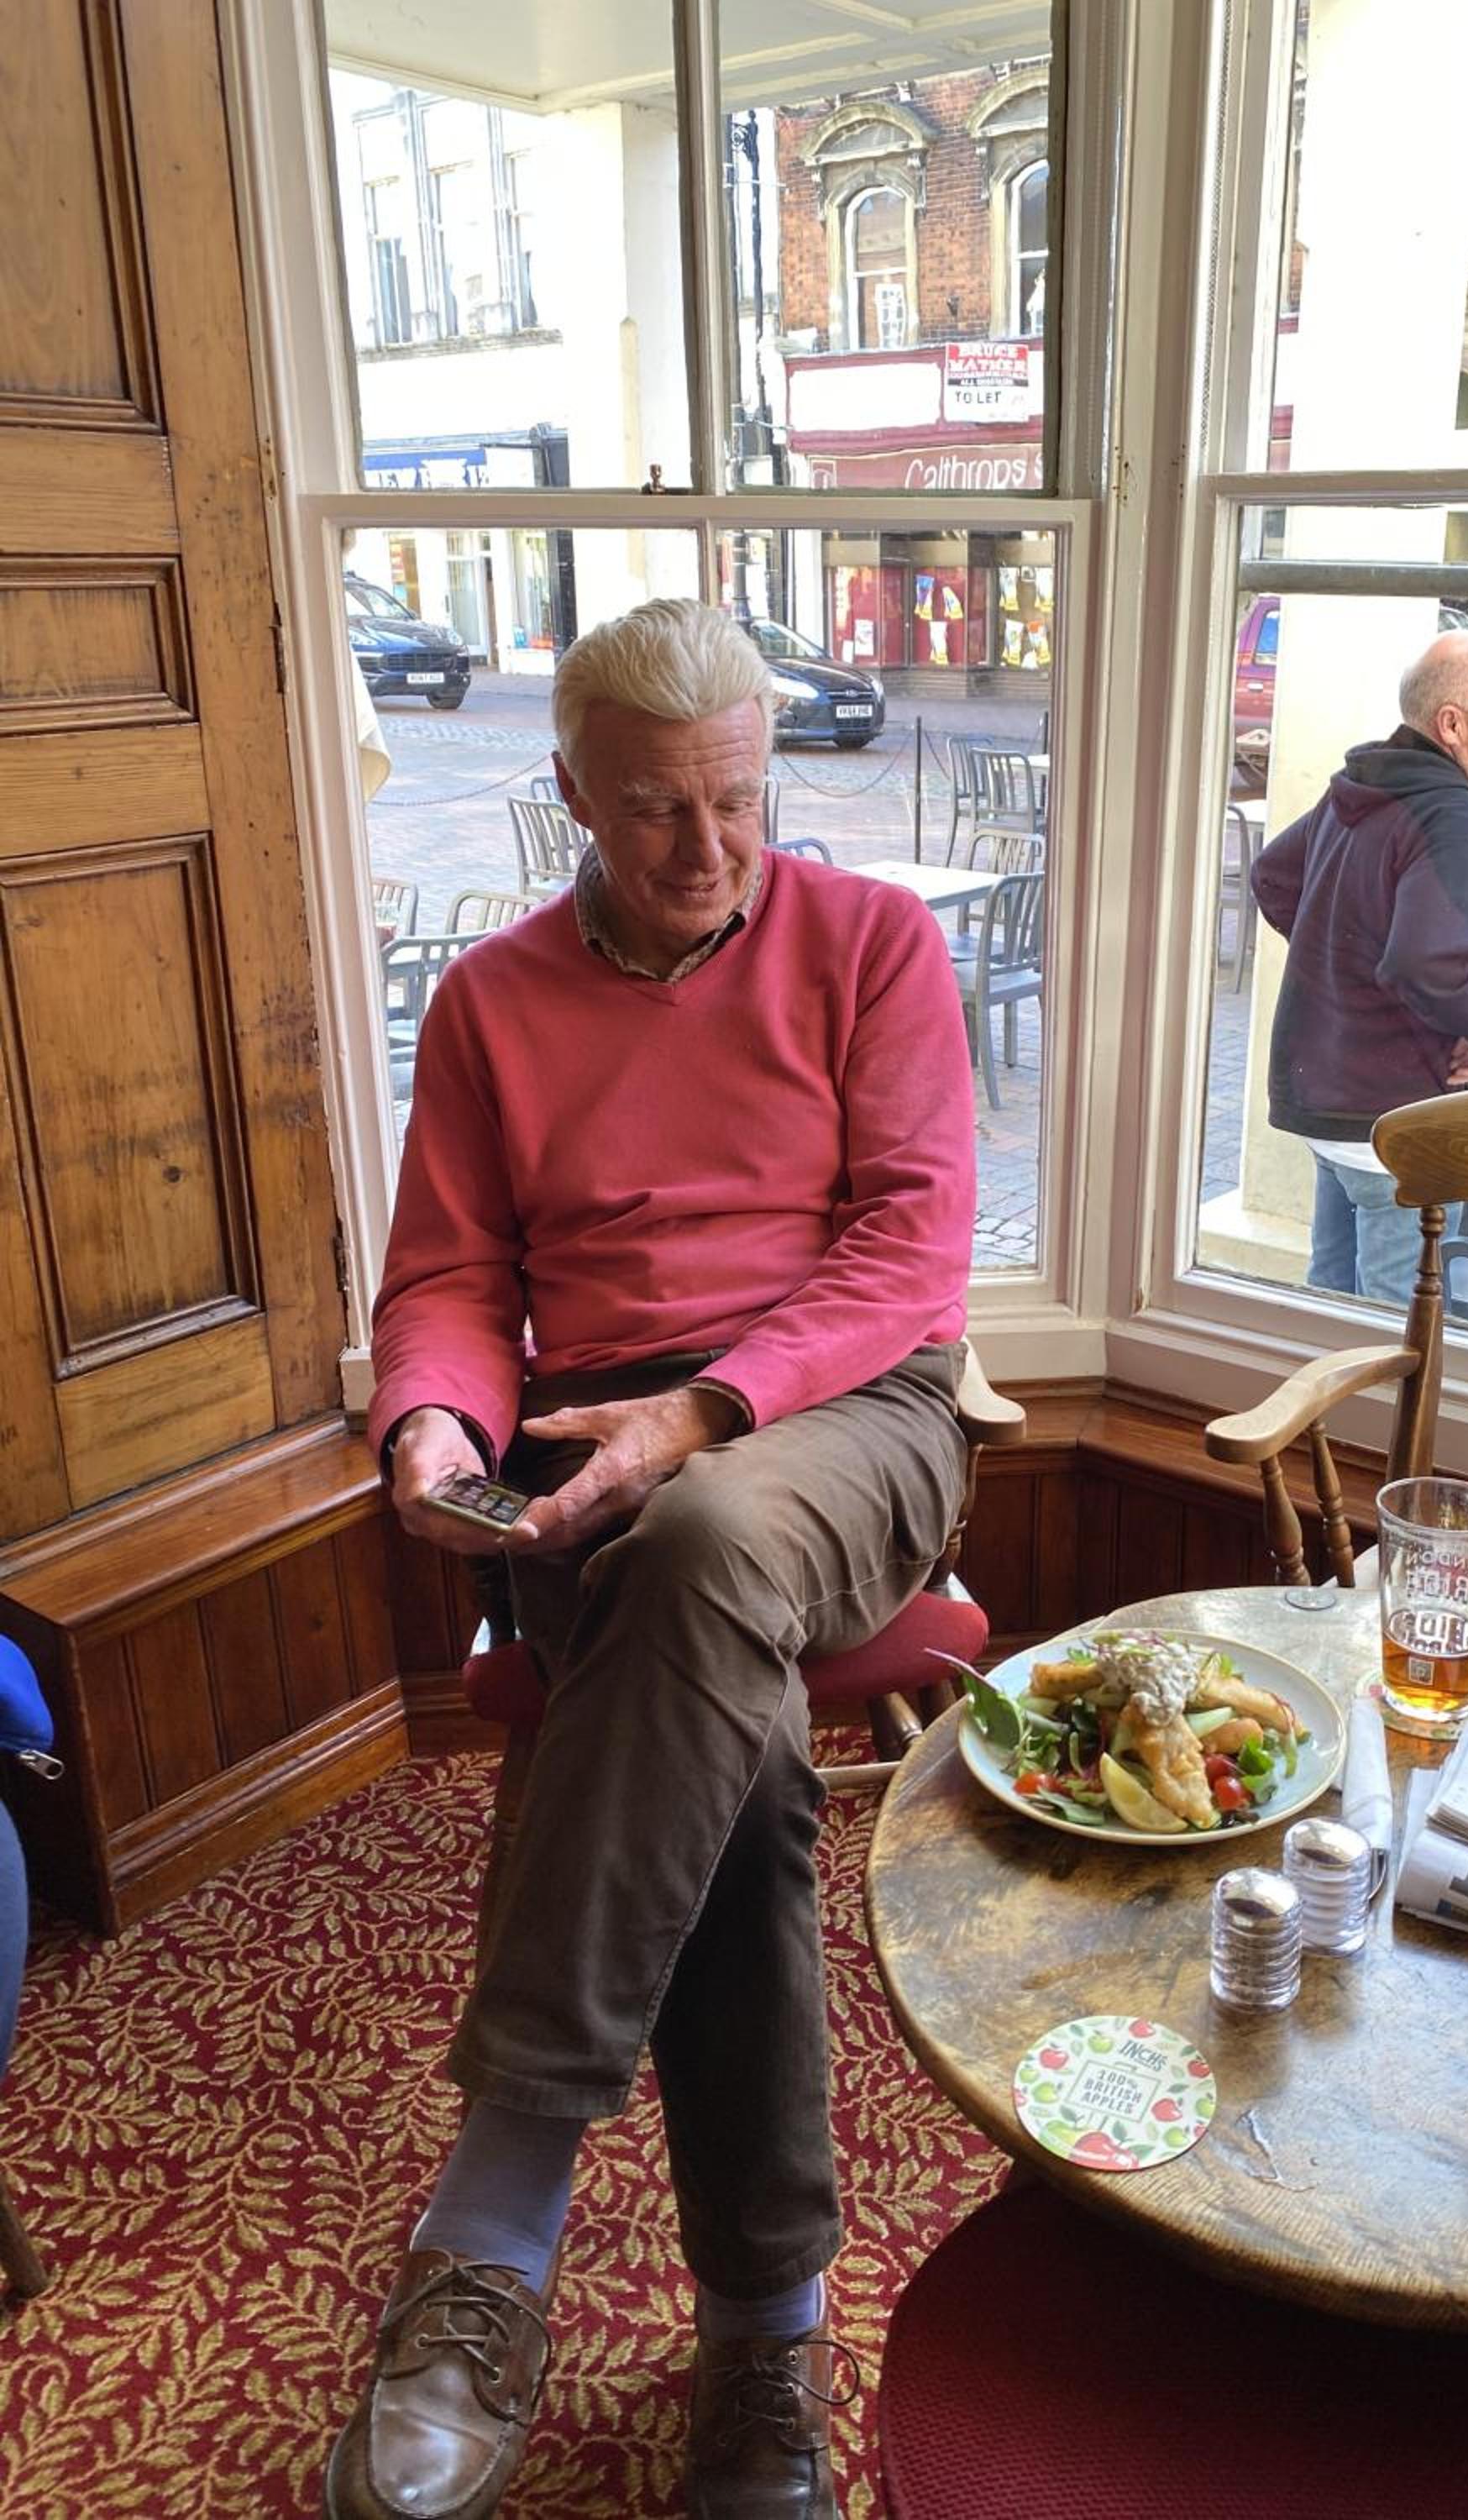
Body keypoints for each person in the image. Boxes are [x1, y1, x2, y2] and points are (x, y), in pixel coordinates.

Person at [327, 599, 976, 2520]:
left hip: (844, 1415)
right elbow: (450, 1281)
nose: (708, 849)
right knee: (740, 1762)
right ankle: (767, 2335)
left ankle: (494, 2211)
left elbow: (910, 1248)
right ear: (570, 796)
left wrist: (701, 1413)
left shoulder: (873, 945)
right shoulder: (491, 1004)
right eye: (652, 811)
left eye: (737, 800)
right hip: (581, 1463)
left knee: (702, 1532)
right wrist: (435, 1420)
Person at [1250, 629, 1468, 1304]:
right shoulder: (1450, 818)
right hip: (1396, 1121)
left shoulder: (1361, 787)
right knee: (1393, 1316)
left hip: (1331, 1107)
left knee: (1331, 1293)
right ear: (1453, 724)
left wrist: (1346, 968)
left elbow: (1274, 878)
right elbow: (1426, 961)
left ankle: (1322, 1379)